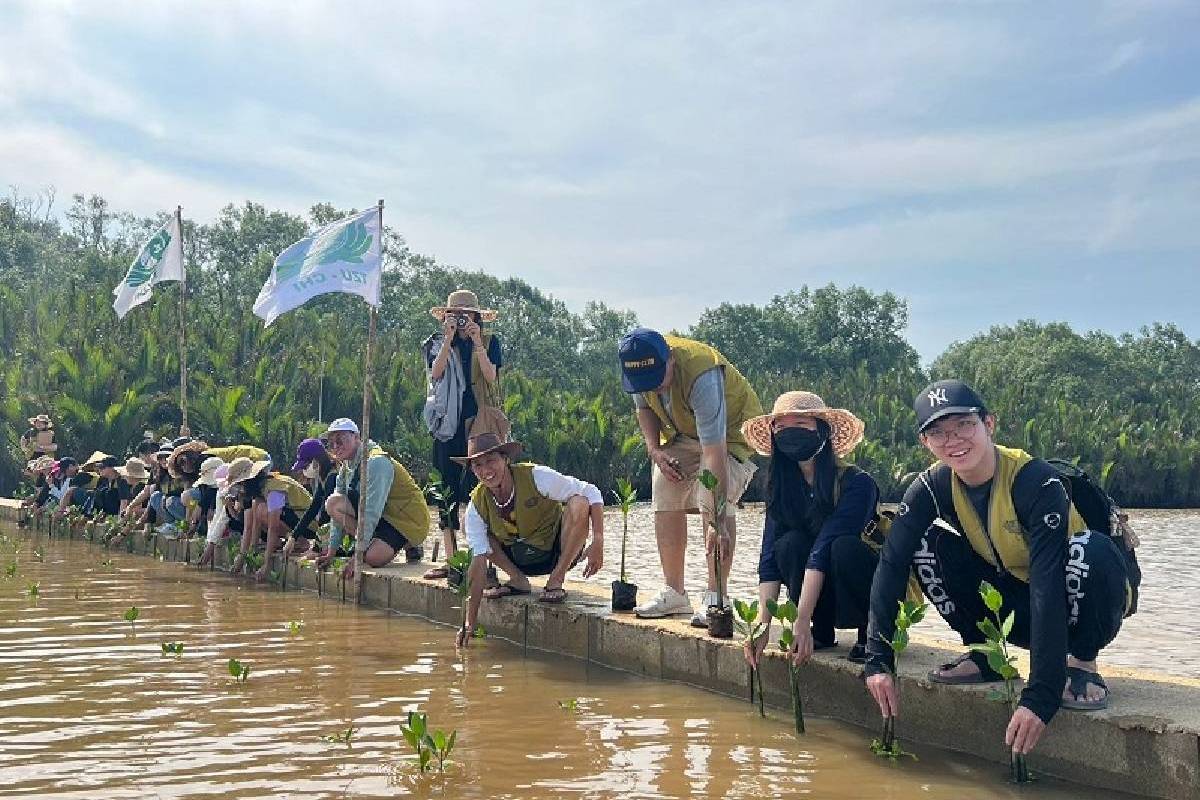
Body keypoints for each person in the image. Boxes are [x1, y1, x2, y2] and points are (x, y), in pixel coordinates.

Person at [864, 379, 1138, 759]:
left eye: (964, 425)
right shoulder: (930, 486)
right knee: (924, 545)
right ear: (924, 442)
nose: (954, 439)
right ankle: (986, 655)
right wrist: (877, 659)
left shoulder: (1036, 482)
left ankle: (1082, 661)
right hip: (1016, 603)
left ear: (989, 424)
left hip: (1078, 602)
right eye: (938, 432)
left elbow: (1046, 583)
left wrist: (1041, 695)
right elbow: (892, 564)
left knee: (1089, 548)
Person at [617, 327, 763, 625]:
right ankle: (675, 593)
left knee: (712, 501)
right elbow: (644, 409)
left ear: (670, 359)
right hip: (685, 435)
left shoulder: (702, 374)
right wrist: (654, 450)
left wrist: (716, 520)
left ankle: (716, 596)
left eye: (658, 379)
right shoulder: (638, 369)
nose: (653, 387)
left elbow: (714, 451)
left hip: (730, 437)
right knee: (663, 488)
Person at [740, 391, 880, 670]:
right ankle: (821, 629)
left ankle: (872, 632)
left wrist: (799, 619)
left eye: (801, 425)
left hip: (860, 584)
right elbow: (769, 558)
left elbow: (824, 548)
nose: (790, 433)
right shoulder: (781, 487)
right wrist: (762, 625)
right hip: (815, 590)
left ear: (823, 432)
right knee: (788, 544)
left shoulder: (858, 484)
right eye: (781, 427)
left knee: (842, 547)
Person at [455, 433, 604, 645]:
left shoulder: (536, 476)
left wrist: (598, 541)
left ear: (505, 459)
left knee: (579, 502)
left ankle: (556, 580)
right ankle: (517, 580)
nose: (486, 471)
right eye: (478, 465)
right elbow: (478, 562)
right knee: (469, 528)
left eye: (491, 461)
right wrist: (470, 621)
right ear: (472, 470)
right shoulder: (476, 504)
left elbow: (592, 492)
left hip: (553, 552)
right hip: (516, 559)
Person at [421, 289, 504, 580]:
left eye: (468, 314)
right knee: (446, 492)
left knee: (480, 490)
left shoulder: (491, 342)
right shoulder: (434, 343)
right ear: (446, 316)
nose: (462, 319)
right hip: (447, 425)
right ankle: (451, 559)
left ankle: (482, 559)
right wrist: (448, 340)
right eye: (456, 314)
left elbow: (491, 377)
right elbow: (436, 373)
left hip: (479, 424)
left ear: (477, 317)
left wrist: (477, 342)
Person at [317, 418, 430, 581]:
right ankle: (376, 543)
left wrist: (358, 556)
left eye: (340, 440)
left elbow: (370, 511)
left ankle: (409, 543)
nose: (335, 447)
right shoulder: (345, 468)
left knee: (372, 558)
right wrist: (331, 552)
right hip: (384, 516)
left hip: (407, 520)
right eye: (331, 443)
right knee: (334, 503)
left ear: (357, 437)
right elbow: (337, 516)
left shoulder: (376, 462)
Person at [225, 457, 316, 581]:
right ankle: (294, 541)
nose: (240, 490)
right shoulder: (261, 491)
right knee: (258, 510)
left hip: (309, 524)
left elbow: (273, 527)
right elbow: (255, 525)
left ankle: (302, 542)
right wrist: (249, 555)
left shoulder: (274, 489)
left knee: (262, 510)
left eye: (240, 485)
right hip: (295, 520)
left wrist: (266, 564)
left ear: (249, 481)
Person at [289, 438, 337, 554]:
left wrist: (316, 547)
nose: (304, 471)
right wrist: (293, 537)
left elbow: (325, 514)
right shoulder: (323, 477)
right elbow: (313, 508)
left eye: (305, 467)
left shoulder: (333, 477)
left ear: (316, 460)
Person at [181, 456, 223, 539]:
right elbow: (200, 506)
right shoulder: (207, 488)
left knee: (212, 514)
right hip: (206, 513)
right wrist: (192, 525)